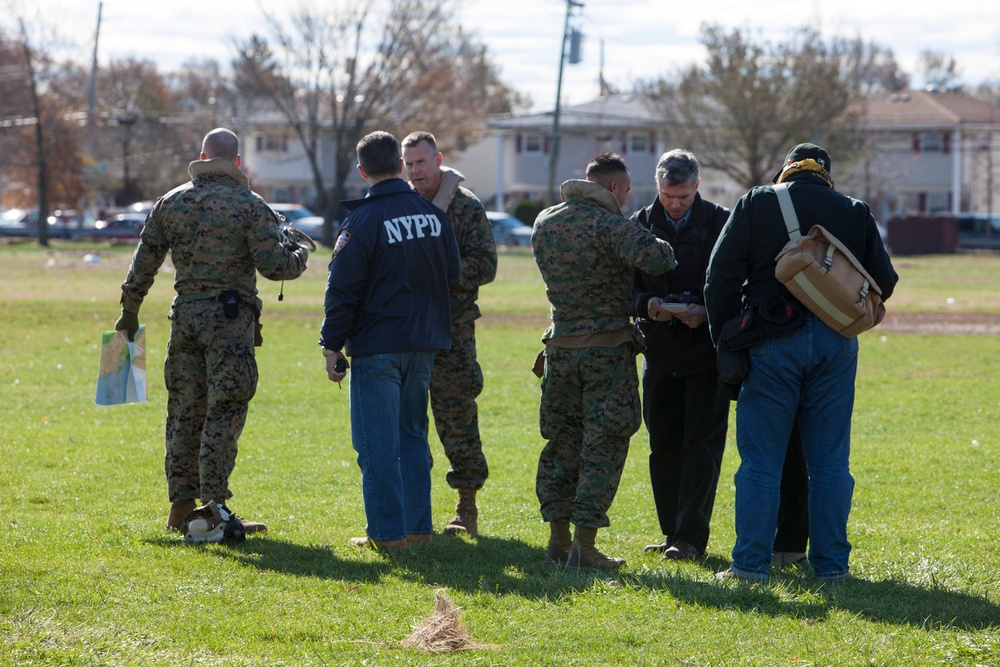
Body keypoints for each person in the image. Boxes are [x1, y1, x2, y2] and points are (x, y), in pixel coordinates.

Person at [705, 143, 898, 582]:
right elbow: (884, 281)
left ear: (786, 172)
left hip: (770, 344)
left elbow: (719, 276)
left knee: (761, 462)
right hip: (837, 344)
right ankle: (832, 568)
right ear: (826, 176)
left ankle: (750, 565)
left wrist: (726, 339)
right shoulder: (854, 210)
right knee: (830, 463)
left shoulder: (757, 201)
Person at [114, 127, 310, 541]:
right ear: (237, 162)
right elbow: (276, 267)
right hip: (228, 322)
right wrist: (300, 253)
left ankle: (181, 507)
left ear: (201, 157)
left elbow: (143, 262)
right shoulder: (250, 205)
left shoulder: (172, 201)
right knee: (224, 409)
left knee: (185, 412)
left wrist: (128, 313)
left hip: (184, 318)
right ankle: (215, 509)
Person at [532, 152, 677, 570]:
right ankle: (586, 547)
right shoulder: (613, 226)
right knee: (604, 444)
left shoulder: (546, 222)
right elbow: (662, 259)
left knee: (561, 443)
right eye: (627, 191)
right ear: (613, 187)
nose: (628, 198)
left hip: (560, 351)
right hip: (607, 354)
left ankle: (557, 542)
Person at [320, 130, 461, 550]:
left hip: (378, 347)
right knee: (413, 439)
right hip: (424, 345)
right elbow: (452, 273)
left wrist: (332, 345)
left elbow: (341, 289)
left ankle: (387, 535)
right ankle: (418, 530)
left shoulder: (360, 221)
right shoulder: (432, 215)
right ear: (400, 167)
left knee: (376, 446)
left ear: (363, 171)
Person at [631, 149, 730, 562]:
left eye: (684, 197)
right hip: (659, 353)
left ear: (697, 188)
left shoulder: (723, 222)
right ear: (658, 187)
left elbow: (737, 286)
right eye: (669, 196)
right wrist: (647, 304)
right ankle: (671, 531)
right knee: (663, 446)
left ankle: (691, 538)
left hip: (708, 356)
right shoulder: (637, 225)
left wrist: (707, 313)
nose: (675, 205)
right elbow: (623, 285)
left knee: (702, 448)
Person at [401, 131, 497, 537]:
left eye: (421, 163)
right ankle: (410, 509)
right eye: (408, 164)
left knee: (456, 415)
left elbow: (486, 265)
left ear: (438, 160)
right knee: (407, 422)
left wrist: (444, 274)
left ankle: (466, 507)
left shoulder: (464, 206)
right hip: (405, 329)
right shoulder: (400, 204)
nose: (415, 171)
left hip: (451, 330)